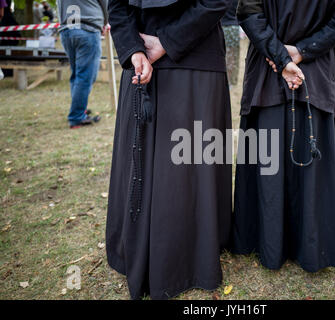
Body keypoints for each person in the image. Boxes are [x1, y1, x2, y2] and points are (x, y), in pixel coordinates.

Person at [106, 0, 232, 300]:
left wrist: (167, 43)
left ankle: (192, 253)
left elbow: (216, 2)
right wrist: (133, 50)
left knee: (189, 163)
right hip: (141, 61)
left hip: (196, 62)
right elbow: (118, 5)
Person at [230, 0, 335, 273]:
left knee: (287, 159)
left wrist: (295, 53)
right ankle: (281, 243)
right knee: (271, 157)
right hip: (279, 68)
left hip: (291, 67)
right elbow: (250, 11)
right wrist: (286, 55)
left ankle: (299, 244)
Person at [57, 0, 108, 128]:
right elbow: (105, 3)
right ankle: (77, 116)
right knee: (86, 76)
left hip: (67, 30)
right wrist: (105, 23)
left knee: (77, 74)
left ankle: (79, 109)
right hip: (87, 29)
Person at [221, 0, 240, 87]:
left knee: (224, 55)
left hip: (223, 26)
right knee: (233, 56)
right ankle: (231, 82)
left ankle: (226, 81)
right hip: (233, 27)